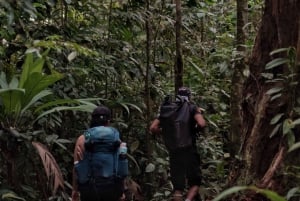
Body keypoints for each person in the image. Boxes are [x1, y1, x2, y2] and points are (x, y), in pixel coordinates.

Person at [150, 87, 206, 201]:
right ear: (189, 96)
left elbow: (153, 127)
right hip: (189, 149)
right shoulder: (192, 107)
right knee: (195, 181)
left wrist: (165, 132)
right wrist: (194, 127)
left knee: (178, 185)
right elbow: (201, 123)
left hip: (174, 150)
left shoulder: (168, 109)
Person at [72, 106, 126, 201]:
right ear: (108, 121)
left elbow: (76, 166)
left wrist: (74, 190)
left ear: (92, 120)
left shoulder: (83, 138)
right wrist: (121, 190)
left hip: (89, 189)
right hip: (112, 188)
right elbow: (121, 163)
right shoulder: (115, 139)